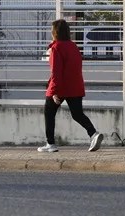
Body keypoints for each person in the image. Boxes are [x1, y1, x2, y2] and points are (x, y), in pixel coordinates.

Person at [38, 19, 104, 153]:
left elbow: (56, 71)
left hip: (60, 86)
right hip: (75, 86)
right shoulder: (73, 46)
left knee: (49, 112)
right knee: (77, 114)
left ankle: (50, 143)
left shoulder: (56, 48)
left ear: (54, 32)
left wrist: (55, 91)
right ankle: (93, 134)